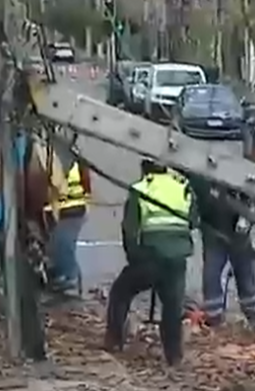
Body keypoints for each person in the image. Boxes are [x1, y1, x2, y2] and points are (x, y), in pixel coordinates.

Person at [104, 157, 195, 367]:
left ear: (145, 168)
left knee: (120, 292)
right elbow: (193, 220)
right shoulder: (182, 186)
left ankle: (114, 340)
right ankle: (174, 355)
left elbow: (130, 229)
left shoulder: (141, 188)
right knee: (172, 307)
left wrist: (135, 257)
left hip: (150, 257)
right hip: (177, 258)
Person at [189, 174, 255, 329]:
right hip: (219, 233)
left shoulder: (210, 181)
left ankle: (250, 317)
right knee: (218, 274)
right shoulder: (207, 183)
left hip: (228, 234)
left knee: (228, 273)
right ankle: (217, 318)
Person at [43, 159, 90, 293]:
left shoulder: (56, 162)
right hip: (59, 211)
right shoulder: (52, 161)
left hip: (73, 210)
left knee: (64, 245)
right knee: (56, 245)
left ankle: (71, 277)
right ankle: (63, 275)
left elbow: (86, 186)